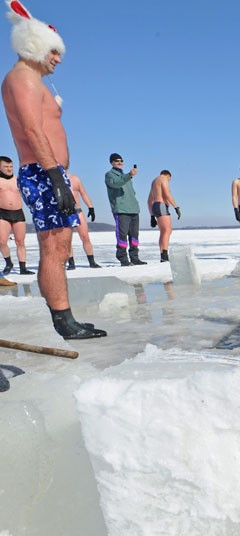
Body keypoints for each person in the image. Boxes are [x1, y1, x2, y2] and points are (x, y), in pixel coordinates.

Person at [1, 1, 105, 338]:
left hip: (49, 172)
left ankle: (65, 317)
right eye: (54, 52)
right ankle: (64, 322)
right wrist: (57, 177)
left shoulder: (30, 80)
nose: (58, 60)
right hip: (44, 173)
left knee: (60, 247)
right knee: (53, 246)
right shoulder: (24, 79)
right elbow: (33, 131)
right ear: (37, 46)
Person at [105, 153, 146, 266]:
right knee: (122, 234)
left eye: (121, 160)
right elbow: (117, 184)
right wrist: (129, 175)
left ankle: (134, 257)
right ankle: (122, 257)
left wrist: (128, 176)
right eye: (117, 160)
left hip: (133, 209)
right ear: (111, 162)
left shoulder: (125, 176)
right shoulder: (109, 175)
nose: (120, 162)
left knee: (134, 235)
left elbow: (131, 192)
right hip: (121, 209)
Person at [0, 155, 33, 274]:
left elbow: (28, 194)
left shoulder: (19, 180)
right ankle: (9, 262)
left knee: (20, 241)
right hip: (2, 213)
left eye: (11, 166)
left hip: (18, 213)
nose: (9, 169)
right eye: (6, 166)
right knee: (2, 241)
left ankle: (23, 268)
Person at [66, 172, 101, 269]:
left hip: (78, 211)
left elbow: (83, 193)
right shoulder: (54, 179)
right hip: (64, 213)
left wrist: (91, 207)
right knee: (67, 240)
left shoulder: (75, 179)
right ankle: (71, 263)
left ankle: (92, 261)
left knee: (85, 237)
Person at [147, 170, 180, 262]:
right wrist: (176, 207)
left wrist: (152, 216)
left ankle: (163, 255)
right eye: (169, 180)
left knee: (163, 231)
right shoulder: (163, 178)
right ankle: (164, 256)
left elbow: (149, 201)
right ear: (168, 176)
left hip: (156, 206)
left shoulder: (154, 182)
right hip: (161, 205)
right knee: (167, 230)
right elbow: (167, 194)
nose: (169, 181)